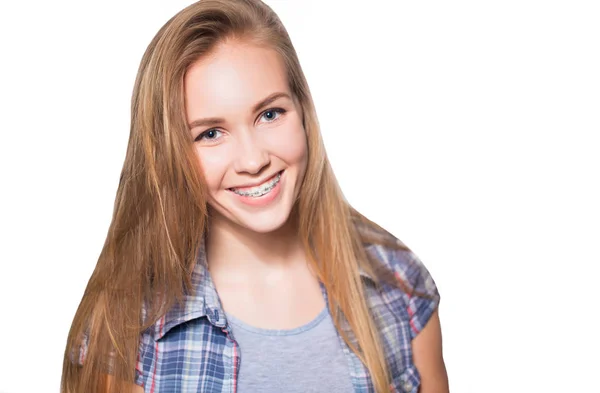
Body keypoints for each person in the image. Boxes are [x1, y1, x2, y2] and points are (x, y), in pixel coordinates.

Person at [61, 0, 449, 392]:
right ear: (170, 154)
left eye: (269, 114)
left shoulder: (397, 282)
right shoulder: (126, 327)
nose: (252, 160)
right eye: (210, 133)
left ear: (302, 110)